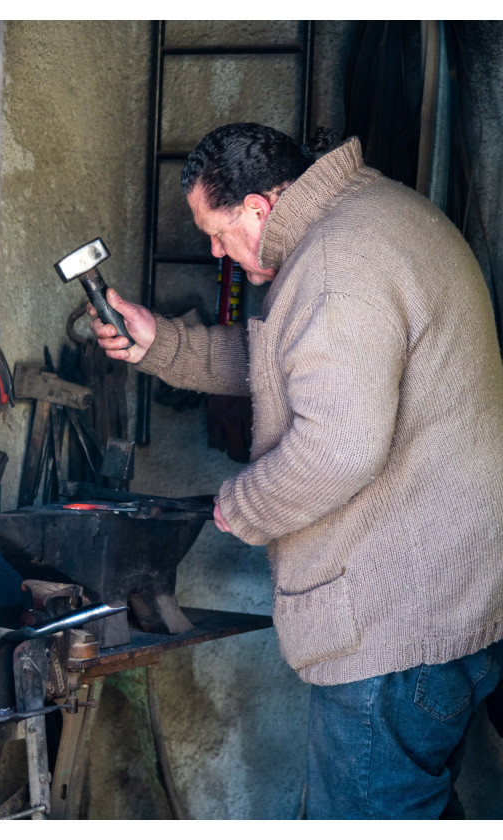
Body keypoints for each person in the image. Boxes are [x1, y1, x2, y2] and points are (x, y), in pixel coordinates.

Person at [88, 123, 503, 819]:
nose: (216, 251)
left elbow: (336, 451)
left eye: (218, 233)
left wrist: (237, 508)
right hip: (450, 604)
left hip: (394, 629)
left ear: (258, 208)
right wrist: (163, 343)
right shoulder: (370, 216)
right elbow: (288, 364)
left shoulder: (337, 266)